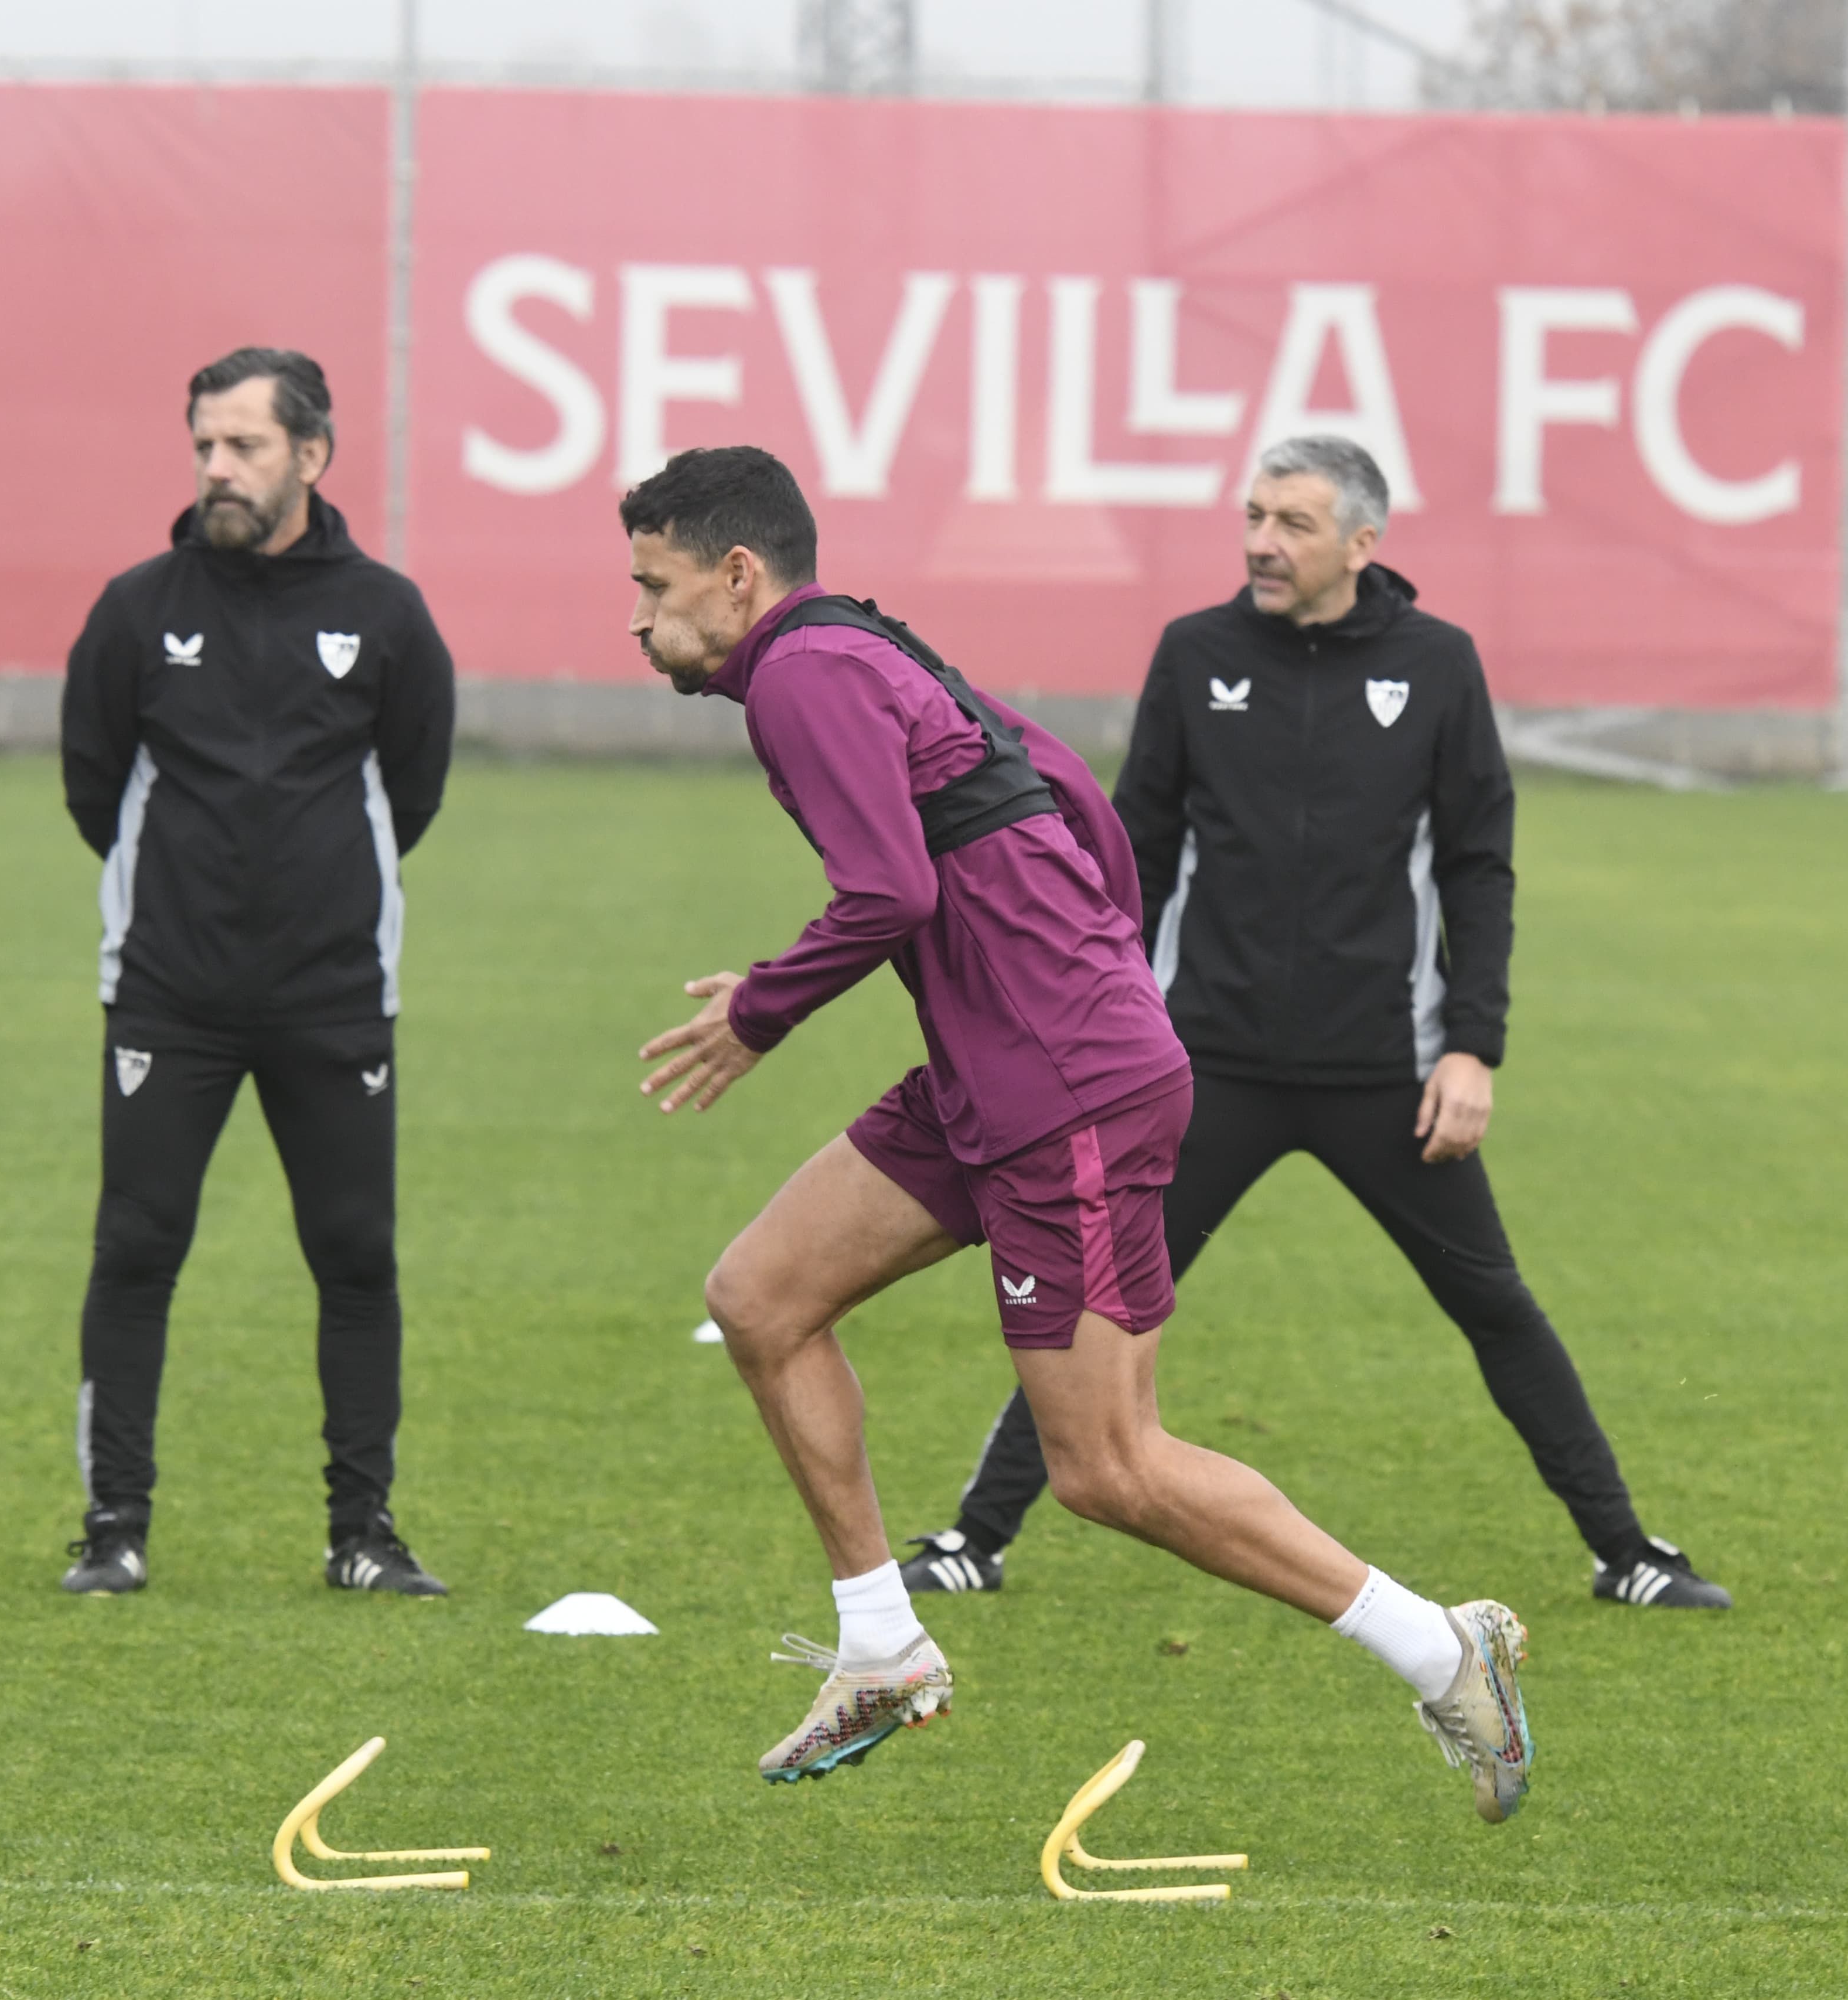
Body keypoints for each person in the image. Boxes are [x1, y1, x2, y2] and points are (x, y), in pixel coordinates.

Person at [624, 445, 1534, 1821]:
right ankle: (880, 1644)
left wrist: (760, 1011)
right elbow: (1072, 801)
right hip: (1004, 1069)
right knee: (761, 1297)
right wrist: (1084, 959)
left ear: (736, 576)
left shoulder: (807, 672)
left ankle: (1436, 1647)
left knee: (1107, 1468)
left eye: (655, 585)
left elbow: (886, 888)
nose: (638, 620)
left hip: (1065, 1093)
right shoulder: (866, 646)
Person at [896, 436, 1730, 1614]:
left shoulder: (1437, 666)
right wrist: (1088, 1021)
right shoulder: (1196, 653)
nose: (1259, 543)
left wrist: (1472, 1047)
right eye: (1252, 516)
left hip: (1383, 1076)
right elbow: (1133, 850)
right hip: (1199, 1071)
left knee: (1491, 1301)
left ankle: (1627, 1551)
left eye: (1289, 522)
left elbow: (1478, 867)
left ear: (1361, 543)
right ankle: (975, 1539)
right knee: (1099, 1304)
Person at [55, 347, 456, 1599]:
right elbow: (94, 789)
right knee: (135, 1249)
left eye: (245, 447)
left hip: (334, 999)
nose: (218, 471)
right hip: (169, 998)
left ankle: (363, 1536)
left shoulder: (386, 616)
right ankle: (113, 1527)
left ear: (312, 457)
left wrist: (316, 901)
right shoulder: (135, 609)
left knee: (354, 1255)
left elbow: (413, 786)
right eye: (205, 447)